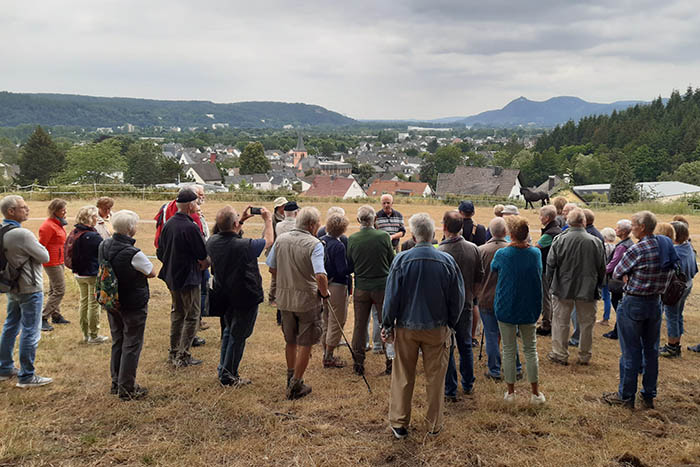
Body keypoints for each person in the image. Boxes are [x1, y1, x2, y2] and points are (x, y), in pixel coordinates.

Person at [382, 213, 465, 439]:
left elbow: (392, 297)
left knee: (403, 376)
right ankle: (433, 424)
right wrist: (450, 323)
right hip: (436, 328)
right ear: (433, 234)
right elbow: (458, 298)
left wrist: (387, 324)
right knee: (435, 378)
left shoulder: (401, 260)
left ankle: (399, 422)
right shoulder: (447, 261)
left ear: (412, 235)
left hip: (406, 328)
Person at [602, 211, 676, 409]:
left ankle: (626, 396)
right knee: (651, 351)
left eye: (634, 225)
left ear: (642, 228)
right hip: (655, 303)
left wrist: (630, 275)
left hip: (634, 302)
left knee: (630, 352)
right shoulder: (665, 246)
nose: (631, 228)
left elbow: (618, 272)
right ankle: (648, 394)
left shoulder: (638, 249)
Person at [266, 207, 329, 400]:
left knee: (290, 340)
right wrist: (325, 293)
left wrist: (287, 279)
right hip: (307, 301)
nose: (319, 227)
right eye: (318, 223)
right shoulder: (315, 244)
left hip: (284, 299)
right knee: (306, 342)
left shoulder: (281, 239)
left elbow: (271, 268)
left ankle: (290, 375)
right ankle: (296, 384)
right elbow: (320, 274)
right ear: (311, 225)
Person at [208, 205, 273, 387]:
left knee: (229, 332)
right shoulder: (244, 245)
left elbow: (228, 234)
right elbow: (268, 241)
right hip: (245, 296)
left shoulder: (212, 241)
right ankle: (229, 376)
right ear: (235, 223)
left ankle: (224, 369)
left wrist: (241, 220)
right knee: (239, 336)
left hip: (225, 296)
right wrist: (268, 220)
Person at [102, 210, 156, 400]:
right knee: (132, 344)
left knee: (118, 341)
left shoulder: (104, 244)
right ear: (131, 229)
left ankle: (116, 382)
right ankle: (127, 388)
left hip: (112, 301)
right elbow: (151, 272)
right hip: (132, 303)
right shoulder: (133, 253)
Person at [491, 216, 545, 404]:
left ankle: (511, 393)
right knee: (531, 349)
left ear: (510, 234)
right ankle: (535, 393)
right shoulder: (535, 254)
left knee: (508, 348)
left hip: (507, 305)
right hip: (529, 306)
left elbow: (493, 269)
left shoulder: (502, 254)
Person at [0, 195, 52, 388]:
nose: (27, 209)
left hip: (10, 285)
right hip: (29, 287)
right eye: (23, 207)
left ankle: (4, 368)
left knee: (10, 326)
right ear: (11, 211)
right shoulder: (22, 234)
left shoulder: (2, 230)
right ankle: (27, 376)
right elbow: (44, 256)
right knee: (30, 330)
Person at [157, 189, 209, 368]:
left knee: (177, 313)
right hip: (188, 277)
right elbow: (202, 253)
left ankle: (173, 352)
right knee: (192, 315)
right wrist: (204, 263)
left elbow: (160, 251)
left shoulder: (169, 223)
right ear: (190, 205)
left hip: (172, 276)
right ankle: (183, 355)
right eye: (196, 202)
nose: (197, 205)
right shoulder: (190, 226)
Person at [546, 208, 606, 365]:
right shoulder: (596, 242)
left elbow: (550, 264)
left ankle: (560, 354)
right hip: (587, 288)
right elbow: (602, 268)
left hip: (562, 288)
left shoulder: (560, 240)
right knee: (587, 324)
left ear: (568, 222)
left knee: (560, 322)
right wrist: (599, 285)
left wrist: (549, 283)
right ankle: (584, 355)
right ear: (584, 222)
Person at [439, 211, 483, 401]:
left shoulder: (440, 252)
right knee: (465, 344)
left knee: (447, 346)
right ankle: (468, 383)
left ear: (445, 227)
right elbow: (478, 277)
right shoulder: (473, 248)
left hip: (445, 307)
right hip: (465, 303)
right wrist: (472, 296)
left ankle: (450, 389)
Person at [347, 205, 395, 376]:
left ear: (358, 220)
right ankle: (390, 363)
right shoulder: (383, 237)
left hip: (361, 287)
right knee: (386, 324)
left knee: (360, 326)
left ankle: (358, 364)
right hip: (382, 287)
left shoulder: (352, 239)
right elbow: (392, 260)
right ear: (375, 219)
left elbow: (350, 264)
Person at [477, 217, 520, 380]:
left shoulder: (481, 250)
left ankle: (494, 370)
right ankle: (516, 367)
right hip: (508, 299)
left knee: (491, 335)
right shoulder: (513, 250)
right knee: (509, 334)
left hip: (486, 298)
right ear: (505, 232)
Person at [70, 206, 109, 344]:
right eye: (94, 217)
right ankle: (94, 335)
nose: (96, 219)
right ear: (89, 218)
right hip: (91, 273)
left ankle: (85, 333)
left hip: (78, 273)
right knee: (94, 304)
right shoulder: (92, 236)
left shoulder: (76, 231)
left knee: (84, 302)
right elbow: (103, 251)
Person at [659, 221, 697, 358]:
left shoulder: (676, 252)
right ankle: (676, 342)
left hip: (677, 289)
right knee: (677, 314)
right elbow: (694, 269)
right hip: (687, 284)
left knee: (672, 316)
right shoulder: (688, 247)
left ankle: (672, 346)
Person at [319, 214, 352, 368]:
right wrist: (353, 265)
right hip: (336, 285)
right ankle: (329, 356)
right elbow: (342, 270)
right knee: (337, 321)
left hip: (324, 285)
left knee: (326, 318)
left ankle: (325, 349)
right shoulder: (338, 245)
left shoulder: (322, 241)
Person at [38, 198, 69, 331]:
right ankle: (43, 317)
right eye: (63, 210)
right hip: (51, 262)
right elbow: (41, 246)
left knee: (53, 289)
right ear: (55, 211)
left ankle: (56, 315)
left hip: (59, 260)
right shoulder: (48, 226)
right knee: (59, 290)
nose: (65, 212)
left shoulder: (58, 224)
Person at [603, 220, 634, 340]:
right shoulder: (629, 243)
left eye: (618, 228)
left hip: (618, 280)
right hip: (625, 279)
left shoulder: (622, 246)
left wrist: (602, 272)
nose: (615, 230)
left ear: (624, 231)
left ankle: (618, 331)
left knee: (618, 305)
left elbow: (613, 263)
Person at [535, 205, 562, 336]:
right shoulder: (557, 229)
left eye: (541, 216)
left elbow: (536, 247)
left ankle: (546, 324)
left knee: (545, 296)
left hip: (546, 269)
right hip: (555, 268)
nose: (539, 218)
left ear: (546, 218)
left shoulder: (549, 233)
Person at [267, 197, 288, 306]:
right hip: (275, 250)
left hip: (283, 250)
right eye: (283, 206)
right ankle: (272, 298)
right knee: (275, 276)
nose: (284, 208)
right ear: (278, 207)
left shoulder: (285, 217)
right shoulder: (273, 219)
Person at [597, 227, 617, 326]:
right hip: (612, 276)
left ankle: (605, 318)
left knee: (605, 297)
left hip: (604, 275)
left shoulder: (603, 246)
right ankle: (606, 318)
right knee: (608, 297)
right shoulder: (616, 247)